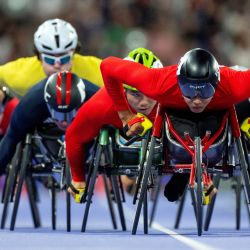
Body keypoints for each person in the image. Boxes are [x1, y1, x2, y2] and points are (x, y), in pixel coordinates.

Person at [100, 48, 250, 202]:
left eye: (205, 90)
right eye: (189, 90)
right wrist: (124, 114)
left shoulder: (234, 84)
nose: (197, 100)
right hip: (178, 114)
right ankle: (184, 173)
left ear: (216, 82)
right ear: (179, 82)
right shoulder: (159, 81)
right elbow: (107, 65)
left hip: (219, 110)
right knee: (183, 130)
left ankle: (187, 174)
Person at [65, 48, 163, 200]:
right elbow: (73, 135)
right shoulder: (103, 103)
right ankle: (127, 175)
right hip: (119, 128)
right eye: (136, 94)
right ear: (122, 90)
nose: (144, 103)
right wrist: (78, 178)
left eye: (149, 93)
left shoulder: (169, 98)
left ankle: (130, 176)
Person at [0, 71, 99, 175]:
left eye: (70, 114)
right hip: (44, 119)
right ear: (48, 105)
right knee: (15, 134)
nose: (64, 122)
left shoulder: (96, 97)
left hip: (84, 124)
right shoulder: (29, 105)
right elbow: (11, 137)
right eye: (59, 115)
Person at [0, 18, 103, 98]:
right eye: (50, 59)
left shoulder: (97, 70)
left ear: (73, 54)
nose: (57, 65)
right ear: (39, 57)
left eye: (64, 59)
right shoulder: (22, 75)